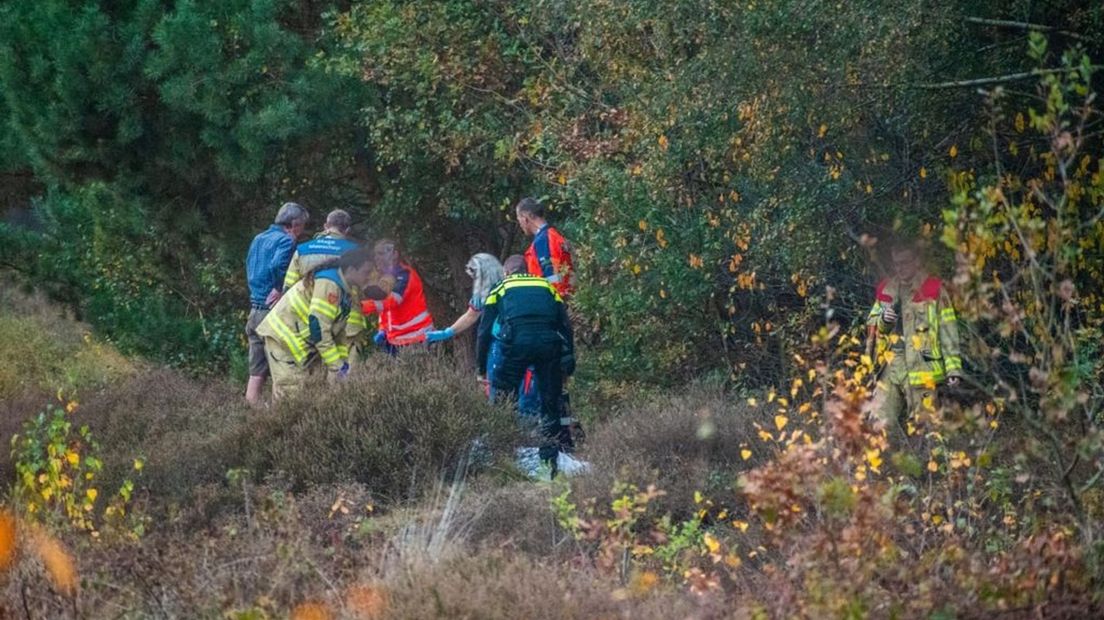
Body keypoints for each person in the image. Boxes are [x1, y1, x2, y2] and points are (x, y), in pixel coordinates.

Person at [476, 255, 575, 472]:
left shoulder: (500, 287)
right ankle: (549, 465)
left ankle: (503, 460)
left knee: (504, 400)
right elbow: (565, 325)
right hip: (549, 345)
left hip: (516, 345)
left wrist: (481, 368)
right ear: (527, 270)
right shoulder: (547, 286)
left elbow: (484, 331)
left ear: (507, 272)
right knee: (550, 402)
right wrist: (570, 361)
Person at [866, 239, 963, 442]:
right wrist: (884, 321)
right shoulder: (886, 289)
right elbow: (872, 327)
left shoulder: (933, 288)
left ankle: (933, 471)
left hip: (922, 370)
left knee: (926, 430)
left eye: (905, 262)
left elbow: (948, 330)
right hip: (890, 368)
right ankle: (883, 471)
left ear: (917, 260)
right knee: (878, 426)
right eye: (896, 263)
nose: (900, 268)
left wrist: (953, 369)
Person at [255, 246, 378, 400]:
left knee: (308, 392)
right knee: (291, 395)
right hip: (284, 339)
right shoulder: (330, 285)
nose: (369, 277)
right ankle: (274, 423)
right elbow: (318, 328)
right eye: (366, 272)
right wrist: (337, 366)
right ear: (352, 269)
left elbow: (337, 333)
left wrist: (343, 364)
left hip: (297, 341)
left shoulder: (344, 287)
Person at [282, 209, 370, 369]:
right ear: (347, 230)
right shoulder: (355, 252)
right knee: (344, 372)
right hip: (348, 322)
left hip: (308, 325)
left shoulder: (303, 250)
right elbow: (365, 285)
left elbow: (288, 288)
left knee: (311, 375)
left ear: (325, 226)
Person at [244, 201, 309, 405]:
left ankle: (250, 412)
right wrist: (280, 289)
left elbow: (249, 266)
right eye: (302, 226)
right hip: (272, 314)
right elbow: (278, 265)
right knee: (280, 367)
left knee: (256, 372)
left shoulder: (258, 238)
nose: (302, 231)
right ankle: (277, 420)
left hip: (254, 310)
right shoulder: (286, 240)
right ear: (294, 224)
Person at [361, 239, 434, 353]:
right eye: (375, 254)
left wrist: (361, 307)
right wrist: (382, 329)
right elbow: (384, 310)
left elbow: (392, 301)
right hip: (395, 339)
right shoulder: (384, 277)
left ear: (395, 254)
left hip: (416, 336)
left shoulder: (405, 275)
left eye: (381, 254)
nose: (376, 258)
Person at [516, 197, 575, 298]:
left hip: (553, 300)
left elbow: (553, 278)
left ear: (525, 218)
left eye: (519, 219)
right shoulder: (554, 236)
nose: (520, 224)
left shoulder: (543, 241)